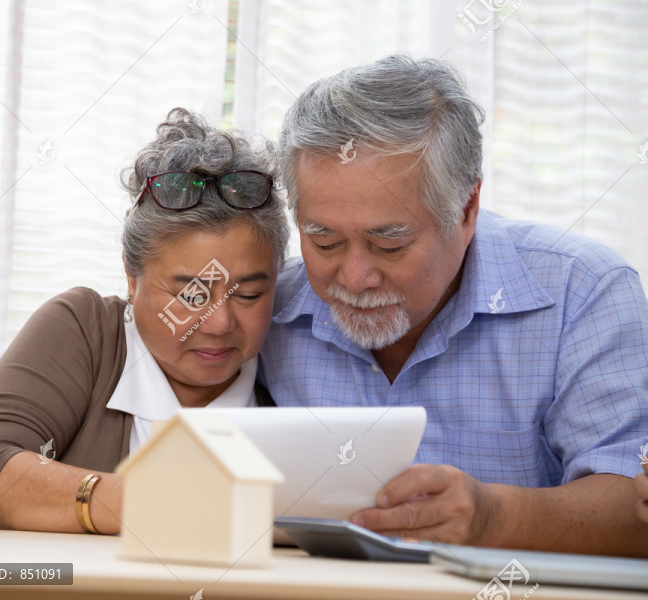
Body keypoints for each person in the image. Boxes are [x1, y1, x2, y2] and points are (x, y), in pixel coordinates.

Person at [262, 55, 648, 556]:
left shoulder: (586, 292)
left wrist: (497, 517)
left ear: (466, 210)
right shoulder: (266, 307)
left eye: (390, 243)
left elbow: (635, 512)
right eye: (324, 241)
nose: (355, 278)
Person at [0, 108, 289, 534]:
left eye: (250, 295)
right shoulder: (83, 329)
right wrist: (172, 507)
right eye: (190, 295)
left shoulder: (293, 357)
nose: (219, 323)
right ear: (132, 277)